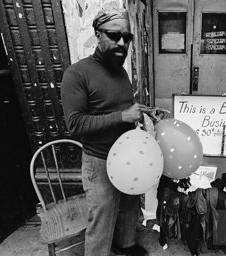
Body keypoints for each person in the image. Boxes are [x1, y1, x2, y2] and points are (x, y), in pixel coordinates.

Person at [61, 4, 149, 256]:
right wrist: (123, 115)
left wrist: (139, 110)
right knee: (101, 220)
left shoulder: (120, 70)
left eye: (127, 37)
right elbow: (75, 125)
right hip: (99, 161)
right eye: (114, 35)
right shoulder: (76, 74)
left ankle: (125, 246)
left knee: (129, 207)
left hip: (128, 158)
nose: (122, 43)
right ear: (98, 34)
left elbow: (116, 106)